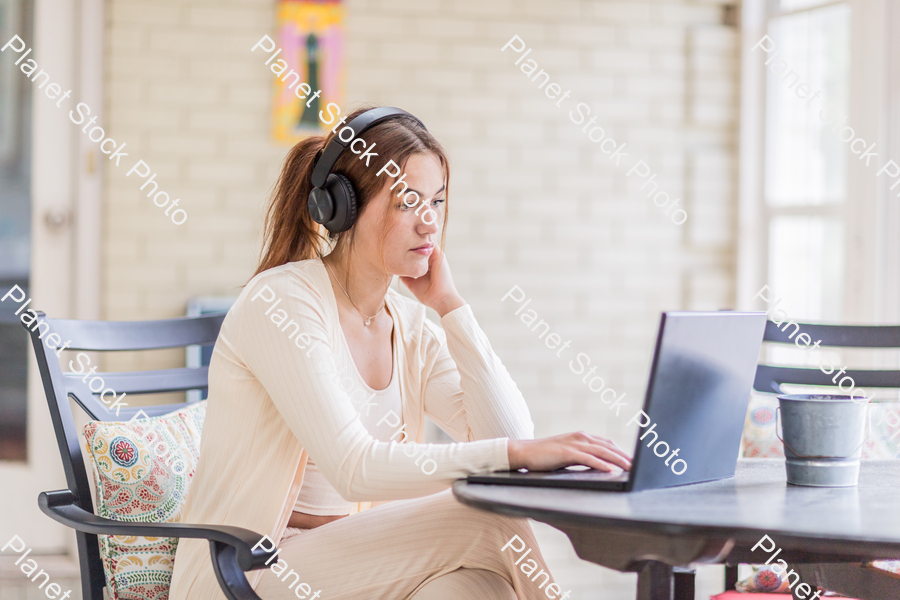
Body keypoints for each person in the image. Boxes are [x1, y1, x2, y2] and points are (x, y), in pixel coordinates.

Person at [169, 106, 631, 600]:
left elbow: (508, 434)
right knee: (485, 518)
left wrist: (450, 307)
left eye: (437, 201)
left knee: (481, 587)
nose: (429, 223)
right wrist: (516, 455)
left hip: (352, 560)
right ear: (342, 207)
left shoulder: (410, 326)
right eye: (408, 202)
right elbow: (354, 468)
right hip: (246, 569)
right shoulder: (283, 301)